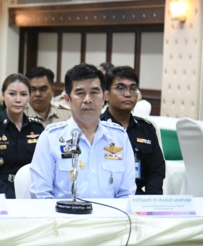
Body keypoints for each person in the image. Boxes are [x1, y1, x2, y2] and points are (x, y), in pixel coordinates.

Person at [30, 63, 136, 199]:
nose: (88, 100)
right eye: (80, 93)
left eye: (94, 92)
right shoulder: (50, 138)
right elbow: (40, 195)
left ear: (105, 97)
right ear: (67, 99)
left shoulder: (119, 137)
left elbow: (127, 193)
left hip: (111, 213)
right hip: (63, 213)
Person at [101, 66, 164, 195]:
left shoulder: (146, 129)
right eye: (120, 88)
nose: (128, 94)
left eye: (133, 88)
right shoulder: (97, 127)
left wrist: (151, 201)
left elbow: (156, 171)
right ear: (106, 95)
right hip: (106, 198)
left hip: (138, 199)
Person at [0, 74, 44, 198]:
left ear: (29, 97)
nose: (18, 100)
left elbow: (43, 168)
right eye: (12, 94)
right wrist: (12, 197)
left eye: (23, 94)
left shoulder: (37, 128)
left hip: (29, 191)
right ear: (3, 96)